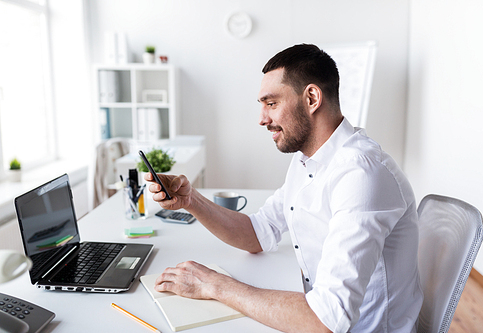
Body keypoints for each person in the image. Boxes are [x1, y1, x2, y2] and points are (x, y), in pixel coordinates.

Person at [146, 44, 423, 333]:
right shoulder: (307, 160)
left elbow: (325, 319)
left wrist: (215, 285)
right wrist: (191, 200)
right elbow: (258, 232)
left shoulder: (362, 174)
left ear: (312, 98)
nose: (262, 118)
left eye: (272, 103)